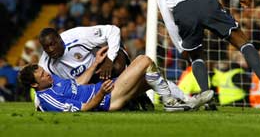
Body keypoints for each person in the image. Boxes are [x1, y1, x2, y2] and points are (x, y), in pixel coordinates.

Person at [19, 47, 213, 112]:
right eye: (42, 75)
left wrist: (95, 64)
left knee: (150, 77)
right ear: (35, 85)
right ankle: (170, 103)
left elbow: (78, 84)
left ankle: (187, 100)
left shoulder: (52, 81)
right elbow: (84, 108)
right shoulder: (49, 98)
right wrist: (101, 93)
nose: (47, 74)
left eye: (44, 71)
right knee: (144, 60)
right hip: (106, 99)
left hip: (106, 91)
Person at [38, 25, 151, 110]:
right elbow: (40, 88)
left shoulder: (78, 36)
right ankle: (130, 100)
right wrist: (38, 105)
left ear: (59, 39)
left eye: (52, 44)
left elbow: (113, 30)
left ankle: (139, 96)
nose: (50, 49)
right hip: (83, 84)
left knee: (117, 63)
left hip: (102, 66)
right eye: (46, 47)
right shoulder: (45, 64)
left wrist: (109, 60)